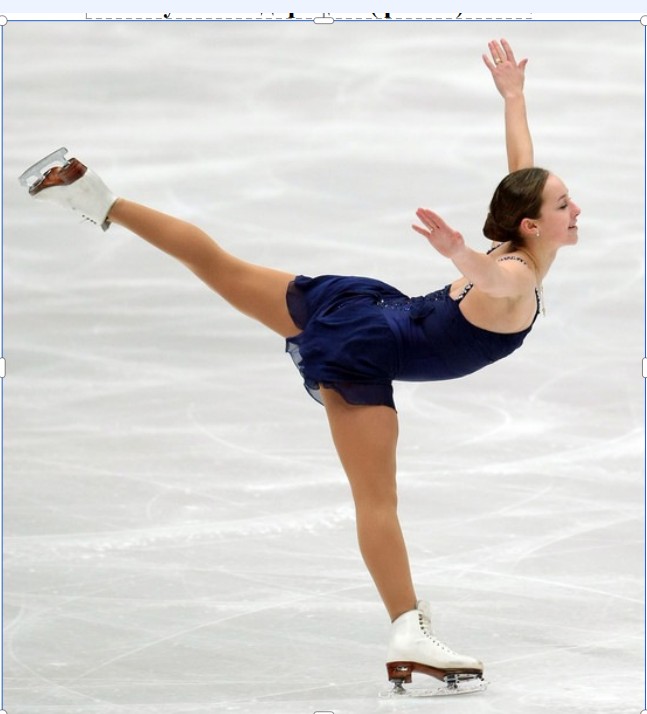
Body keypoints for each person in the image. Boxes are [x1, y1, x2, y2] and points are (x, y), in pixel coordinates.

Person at [20, 39, 580, 693]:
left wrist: (513, 98)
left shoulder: (521, 240)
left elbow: (522, 171)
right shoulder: (514, 273)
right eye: (564, 204)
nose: (575, 210)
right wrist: (459, 254)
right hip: (365, 351)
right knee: (376, 500)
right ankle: (407, 630)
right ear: (532, 226)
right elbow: (494, 278)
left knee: (221, 267)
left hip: (360, 305)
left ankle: (94, 195)